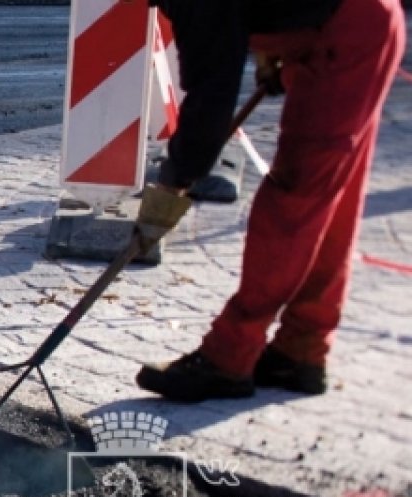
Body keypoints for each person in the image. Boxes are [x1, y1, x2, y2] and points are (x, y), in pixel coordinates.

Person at [135, 0, 406, 402]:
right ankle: (299, 351)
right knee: (329, 204)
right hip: (351, 27)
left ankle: (228, 358)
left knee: (291, 203)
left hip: (345, 35)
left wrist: (176, 181)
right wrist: (275, 45)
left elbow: (212, 91)